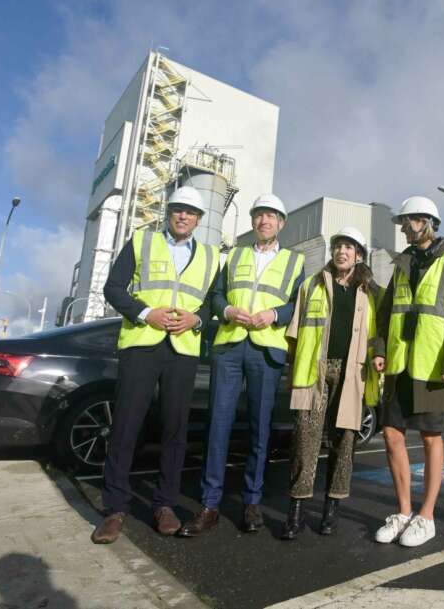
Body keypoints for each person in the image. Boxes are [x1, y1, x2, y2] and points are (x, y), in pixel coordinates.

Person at [92, 186, 220, 544]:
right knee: (126, 426)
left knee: (175, 430)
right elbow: (113, 288)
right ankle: (114, 509)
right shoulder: (142, 241)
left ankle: (164, 505)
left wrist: (197, 321)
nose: (183, 216)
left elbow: (212, 300)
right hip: (141, 343)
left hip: (183, 349)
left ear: (198, 220)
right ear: (169, 212)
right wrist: (147, 313)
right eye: (178, 209)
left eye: (191, 212)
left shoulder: (212, 256)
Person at [179, 194, 305, 537]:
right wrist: (229, 311)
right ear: (253, 222)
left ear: (281, 223)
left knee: (259, 430)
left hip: (267, 352)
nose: (264, 221)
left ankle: (251, 501)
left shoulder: (295, 262)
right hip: (231, 348)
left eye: (270, 216)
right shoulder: (233, 256)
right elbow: (216, 296)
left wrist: (275, 314)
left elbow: (298, 304)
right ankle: (210, 505)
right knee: (217, 427)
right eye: (259, 215)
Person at [372, 196, 444, 547]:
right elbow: (386, 311)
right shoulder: (402, 263)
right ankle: (403, 511)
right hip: (400, 361)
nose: (403, 228)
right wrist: (380, 349)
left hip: (433, 364)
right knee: (391, 433)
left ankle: (426, 516)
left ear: (427, 222)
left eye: (408, 222)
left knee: (430, 438)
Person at [279, 227, 383, 539]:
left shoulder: (371, 291)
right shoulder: (312, 285)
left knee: (344, 441)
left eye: (349, 247)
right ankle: (296, 510)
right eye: (338, 246)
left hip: (352, 372)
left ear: (359, 255)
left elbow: (378, 334)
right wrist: (291, 370)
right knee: (305, 440)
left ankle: (331, 508)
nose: (342, 251)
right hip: (314, 371)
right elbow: (296, 330)